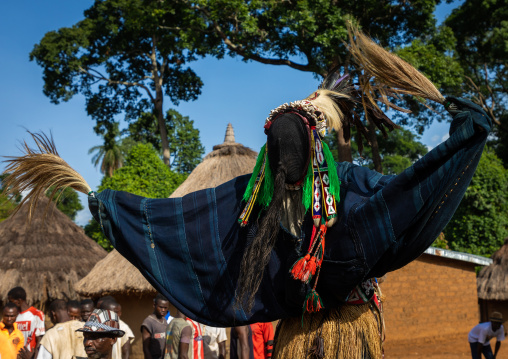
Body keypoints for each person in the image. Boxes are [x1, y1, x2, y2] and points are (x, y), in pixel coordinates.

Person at [5, 25, 493, 359]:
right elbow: (180, 220)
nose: (286, 168)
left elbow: (406, 195)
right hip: (304, 336)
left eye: (291, 156)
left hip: (343, 333)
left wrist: (461, 139)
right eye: (279, 158)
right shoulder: (257, 199)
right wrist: (113, 207)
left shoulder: (346, 187)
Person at [8, 286, 45, 352]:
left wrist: (35, 357)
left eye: (11, 301)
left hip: (30, 356)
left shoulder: (37, 314)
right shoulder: (13, 316)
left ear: (19, 301)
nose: (10, 304)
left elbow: (40, 339)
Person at [141, 294, 169, 359]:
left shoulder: (164, 321)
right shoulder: (148, 322)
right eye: (161, 307)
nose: (163, 310)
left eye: (165, 308)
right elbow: (146, 348)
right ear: (154, 305)